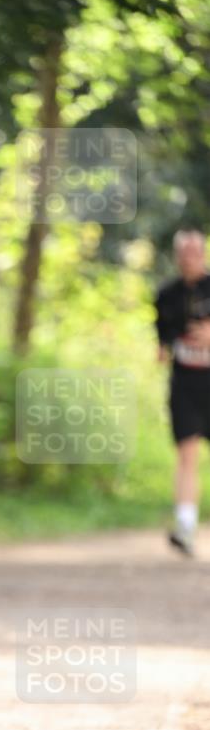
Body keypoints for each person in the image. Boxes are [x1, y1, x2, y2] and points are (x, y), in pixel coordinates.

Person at [154, 229, 210, 557]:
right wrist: (165, 348)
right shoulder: (167, 294)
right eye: (184, 253)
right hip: (186, 384)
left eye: (195, 252)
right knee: (187, 454)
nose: (189, 259)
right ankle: (186, 527)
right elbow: (162, 340)